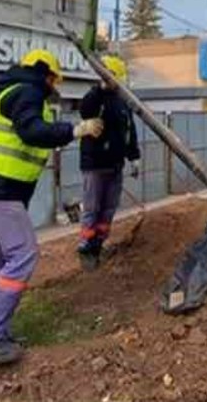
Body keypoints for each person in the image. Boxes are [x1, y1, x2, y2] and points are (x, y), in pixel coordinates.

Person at [0, 49, 103, 364]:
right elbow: (32, 131)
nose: (55, 85)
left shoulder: (12, 92)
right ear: (45, 74)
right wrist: (75, 130)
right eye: (54, 78)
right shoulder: (29, 91)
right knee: (24, 253)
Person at [76, 55, 140, 270]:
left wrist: (134, 157)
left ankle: (98, 243)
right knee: (92, 207)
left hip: (115, 164)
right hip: (94, 163)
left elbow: (130, 132)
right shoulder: (95, 98)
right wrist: (99, 89)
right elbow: (85, 110)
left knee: (109, 208)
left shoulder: (123, 103)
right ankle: (86, 246)